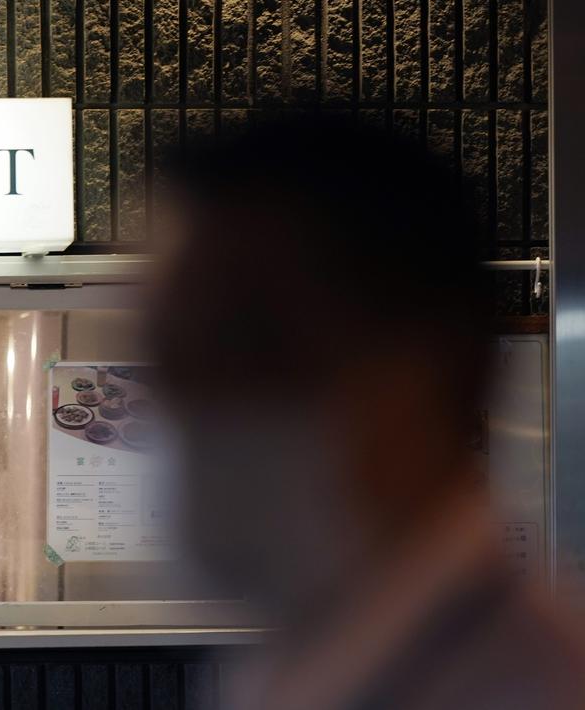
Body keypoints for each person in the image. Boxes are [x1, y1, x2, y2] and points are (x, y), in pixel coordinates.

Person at [150, 117, 585, 709]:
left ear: (445, 364)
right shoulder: (305, 662)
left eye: (256, 351)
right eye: (169, 364)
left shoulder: (537, 687)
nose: (203, 408)